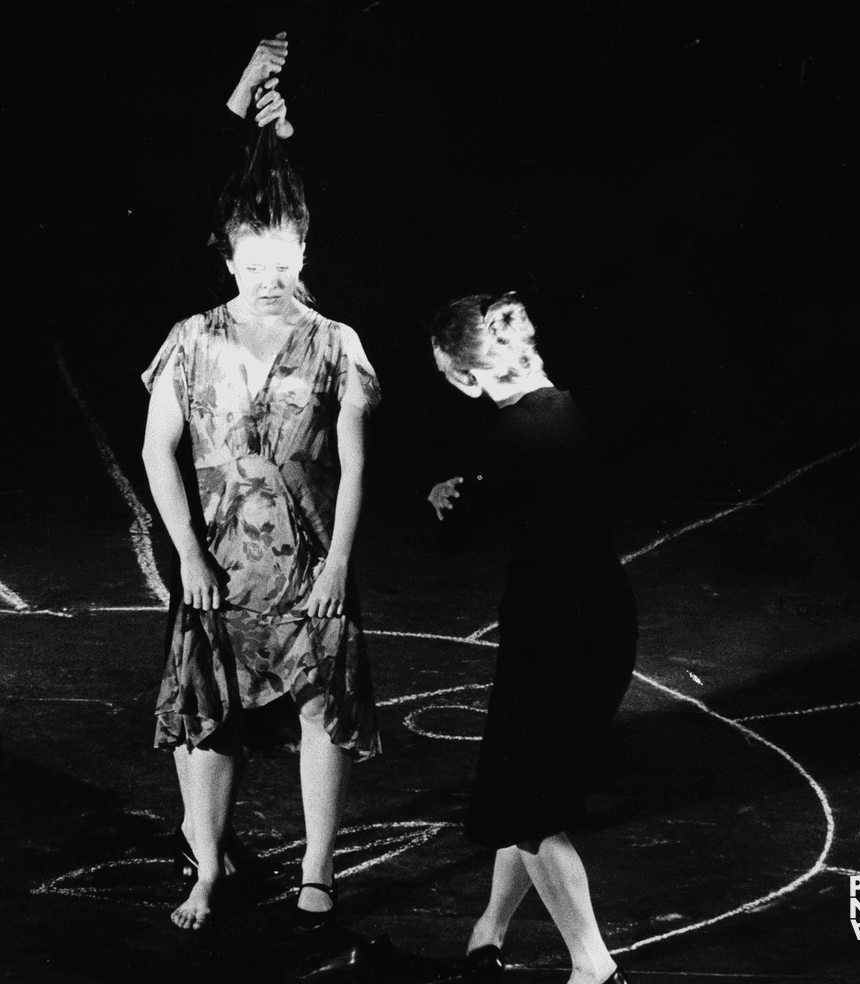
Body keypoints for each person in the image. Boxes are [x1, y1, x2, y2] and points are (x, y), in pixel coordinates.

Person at [141, 33, 381, 933]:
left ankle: (318, 870)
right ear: (229, 257)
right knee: (211, 713)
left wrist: (335, 569)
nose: (272, 279)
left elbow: (355, 462)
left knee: (323, 704)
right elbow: (159, 448)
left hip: (310, 561)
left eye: (286, 262)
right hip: (222, 564)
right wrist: (190, 556)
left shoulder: (334, 337)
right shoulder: (192, 332)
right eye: (255, 263)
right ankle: (207, 866)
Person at [427, 294, 634, 984]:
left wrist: (442, 500)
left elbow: (454, 535)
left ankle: (592, 965)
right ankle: (488, 932)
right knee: (524, 796)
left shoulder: (509, 438)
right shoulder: (572, 411)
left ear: (464, 376)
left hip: (552, 634)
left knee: (530, 809)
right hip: (603, 623)